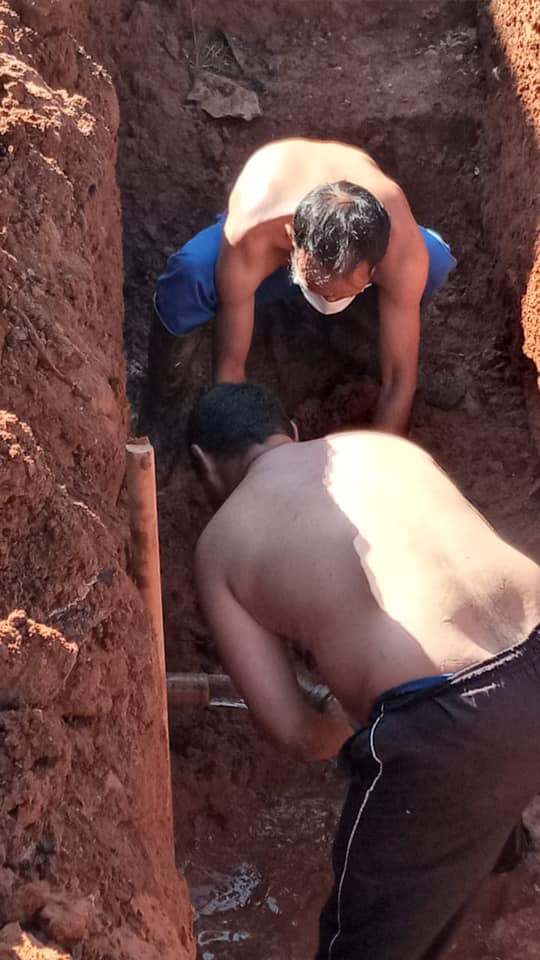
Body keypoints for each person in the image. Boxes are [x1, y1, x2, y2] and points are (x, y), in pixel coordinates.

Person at [187, 381, 540, 960]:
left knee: (362, 946)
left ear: (203, 465)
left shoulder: (221, 544)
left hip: (449, 724)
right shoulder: (382, 449)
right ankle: (504, 858)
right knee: (492, 746)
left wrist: (350, 722)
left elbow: (295, 733)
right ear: (291, 433)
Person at [153, 138, 457, 435]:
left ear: (376, 266)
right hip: (272, 237)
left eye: (342, 292)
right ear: (292, 239)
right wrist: (244, 451)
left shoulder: (401, 252)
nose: (329, 298)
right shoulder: (253, 233)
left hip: (358, 249)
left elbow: (400, 379)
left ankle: (363, 338)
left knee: (436, 261)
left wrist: (380, 462)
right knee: (190, 274)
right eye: (319, 287)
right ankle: (161, 407)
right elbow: (230, 369)